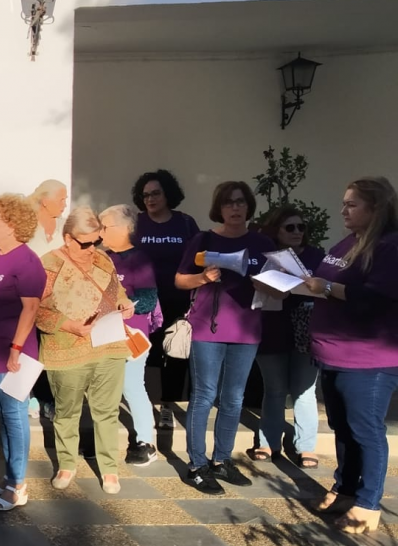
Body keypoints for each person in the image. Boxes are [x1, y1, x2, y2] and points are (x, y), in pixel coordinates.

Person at [304, 177, 398, 534]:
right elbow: (327, 283)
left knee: (366, 430)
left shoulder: (389, 247)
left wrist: (326, 287)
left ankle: (368, 504)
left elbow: (373, 299)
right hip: (334, 352)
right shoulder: (348, 242)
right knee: (342, 428)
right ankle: (345, 488)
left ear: (375, 209)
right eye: (344, 203)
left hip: (368, 359)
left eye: (352, 204)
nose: (343, 210)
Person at [175, 181, 274, 495]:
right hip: (210, 327)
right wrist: (203, 277)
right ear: (219, 207)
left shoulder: (262, 243)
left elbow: (279, 282)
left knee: (234, 399)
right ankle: (196, 465)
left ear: (248, 207)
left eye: (241, 202)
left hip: (246, 328)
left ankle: (221, 460)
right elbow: (180, 280)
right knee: (204, 396)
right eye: (229, 202)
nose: (235, 208)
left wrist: (269, 284)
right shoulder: (203, 240)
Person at [36, 207, 134, 494]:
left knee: (107, 410)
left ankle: (110, 469)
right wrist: (70, 326)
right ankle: (67, 464)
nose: (92, 249)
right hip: (66, 349)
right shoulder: (49, 264)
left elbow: (117, 293)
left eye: (96, 242)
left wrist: (124, 305)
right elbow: (36, 309)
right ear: (68, 238)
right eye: (85, 243)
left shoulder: (104, 260)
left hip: (108, 346)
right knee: (67, 411)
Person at [0, 194, 45, 512]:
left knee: (14, 416)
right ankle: (7, 478)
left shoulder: (27, 260)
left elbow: (31, 308)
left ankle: (18, 485)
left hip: (12, 352)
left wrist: (16, 349)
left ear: (12, 225)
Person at [250, 206, 324, 468]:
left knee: (305, 390)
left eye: (301, 227)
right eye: (290, 227)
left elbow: (325, 288)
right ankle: (268, 442)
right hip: (272, 327)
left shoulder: (317, 255)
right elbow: (257, 284)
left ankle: (306, 446)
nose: (297, 232)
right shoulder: (265, 256)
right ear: (277, 231)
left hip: (307, 328)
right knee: (275, 389)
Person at [132, 169, 201, 430]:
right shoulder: (135, 223)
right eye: (145, 195)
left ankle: (168, 406)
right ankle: (144, 404)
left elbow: (197, 260)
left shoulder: (184, 223)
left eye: (156, 193)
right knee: (144, 354)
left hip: (178, 301)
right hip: (143, 303)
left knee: (175, 355)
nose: (150, 199)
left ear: (168, 194)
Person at [99, 204, 159, 467]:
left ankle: (145, 441)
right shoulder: (102, 257)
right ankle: (102, 439)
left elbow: (148, 298)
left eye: (105, 226)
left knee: (132, 385)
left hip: (132, 334)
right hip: (103, 333)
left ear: (125, 229)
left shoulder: (140, 259)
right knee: (105, 388)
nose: (100, 232)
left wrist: (128, 304)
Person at [27, 179, 68, 257]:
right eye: (61, 200)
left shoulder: (67, 227)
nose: (65, 205)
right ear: (45, 201)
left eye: (65, 200)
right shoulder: (24, 227)